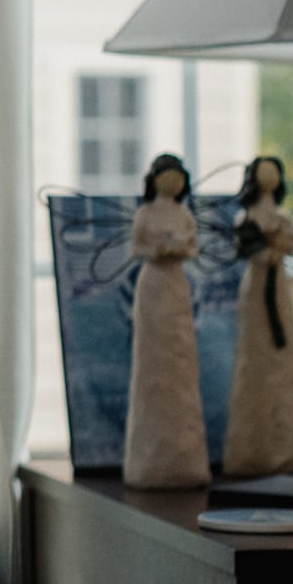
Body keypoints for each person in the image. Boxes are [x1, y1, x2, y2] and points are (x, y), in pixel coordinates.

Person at [123, 152, 211, 489]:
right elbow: (138, 248)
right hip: (154, 283)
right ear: (155, 179)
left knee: (180, 361)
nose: (172, 183)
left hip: (176, 284)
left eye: (178, 177)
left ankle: (185, 457)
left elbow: (193, 249)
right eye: (167, 176)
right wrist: (158, 249)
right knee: (153, 363)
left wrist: (179, 248)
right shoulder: (145, 213)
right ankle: (149, 459)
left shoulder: (184, 214)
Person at [222, 155, 293, 477]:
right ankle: (251, 451)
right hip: (257, 287)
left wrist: (279, 242)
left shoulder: (282, 216)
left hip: (279, 286)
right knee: (254, 359)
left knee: (280, 361)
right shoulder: (246, 216)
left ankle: (284, 451)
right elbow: (243, 247)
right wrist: (265, 249)